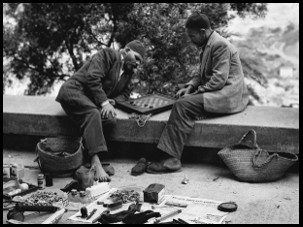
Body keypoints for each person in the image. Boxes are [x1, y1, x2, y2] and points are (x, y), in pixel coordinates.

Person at [146, 13, 249, 173]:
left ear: (203, 31)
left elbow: (218, 80)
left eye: (192, 35)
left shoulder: (219, 45)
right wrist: (190, 87)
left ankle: (172, 159)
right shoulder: (210, 43)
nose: (191, 39)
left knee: (182, 106)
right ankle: (167, 153)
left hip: (227, 96)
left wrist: (195, 94)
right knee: (182, 97)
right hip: (220, 91)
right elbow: (202, 75)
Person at [56, 40, 146, 181]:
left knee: (109, 118)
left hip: (91, 100)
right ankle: (96, 163)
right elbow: (92, 77)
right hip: (74, 91)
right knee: (93, 113)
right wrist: (104, 102)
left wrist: (112, 102)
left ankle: (89, 159)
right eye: (137, 58)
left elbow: (125, 95)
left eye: (141, 62)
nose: (138, 64)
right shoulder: (109, 54)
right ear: (127, 50)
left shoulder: (128, 73)